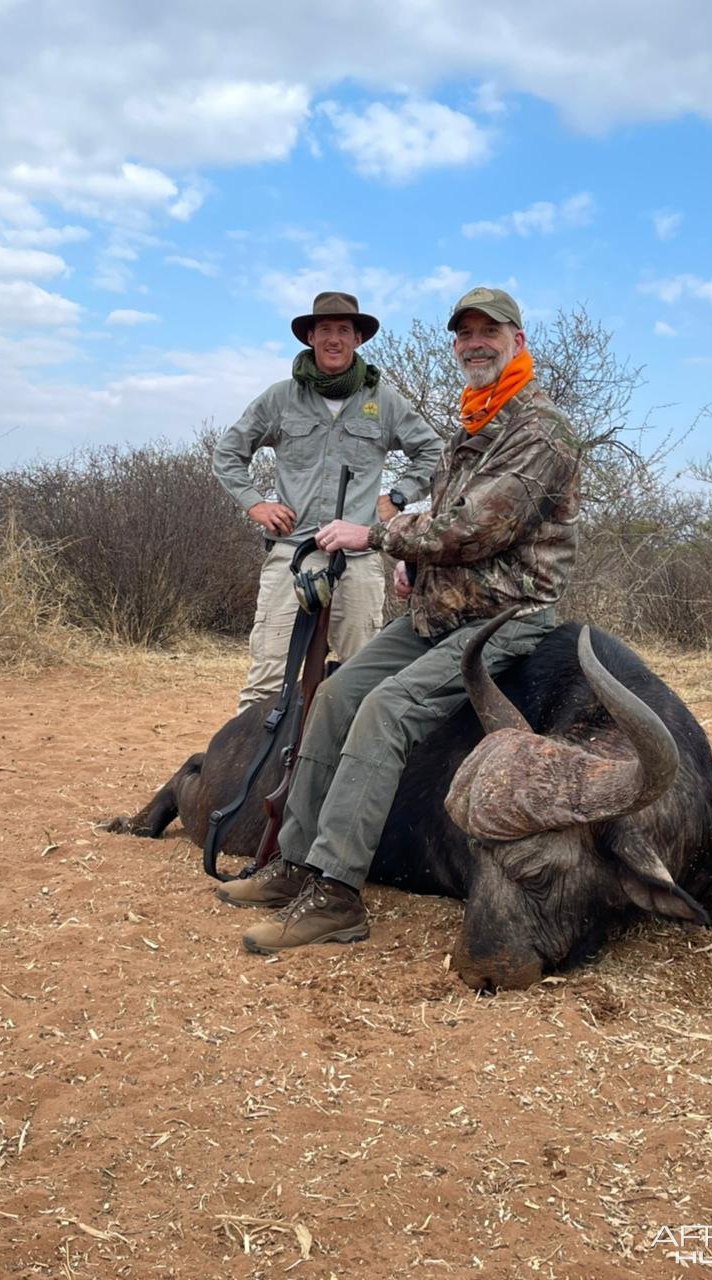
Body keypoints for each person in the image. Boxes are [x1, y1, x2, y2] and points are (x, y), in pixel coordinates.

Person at [217, 286, 581, 953]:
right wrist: (419, 560)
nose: (474, 343)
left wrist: (379, 538)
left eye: (488, 332)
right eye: (464, 334)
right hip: (440, 608)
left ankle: (336, 895)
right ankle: (293, 862)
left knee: (385, 710)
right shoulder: (475, 420)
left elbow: (479, 526)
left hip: (503, 619)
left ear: (517, 341)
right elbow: (442, 510)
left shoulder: (540, 428)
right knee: (334, 693)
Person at [212, 291, 443, 715]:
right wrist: (255, 505)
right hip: (292, 554)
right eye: (324, 330)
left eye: (343, 330)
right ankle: (252, 775)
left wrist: (396, 497)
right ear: (310, 337)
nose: (333, 339)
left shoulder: (384, 401)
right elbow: (228, 453)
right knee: (266, 680)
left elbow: (434, 454)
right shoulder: (279, 398)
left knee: (362, 677)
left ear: (357, 339)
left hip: (357, 559)